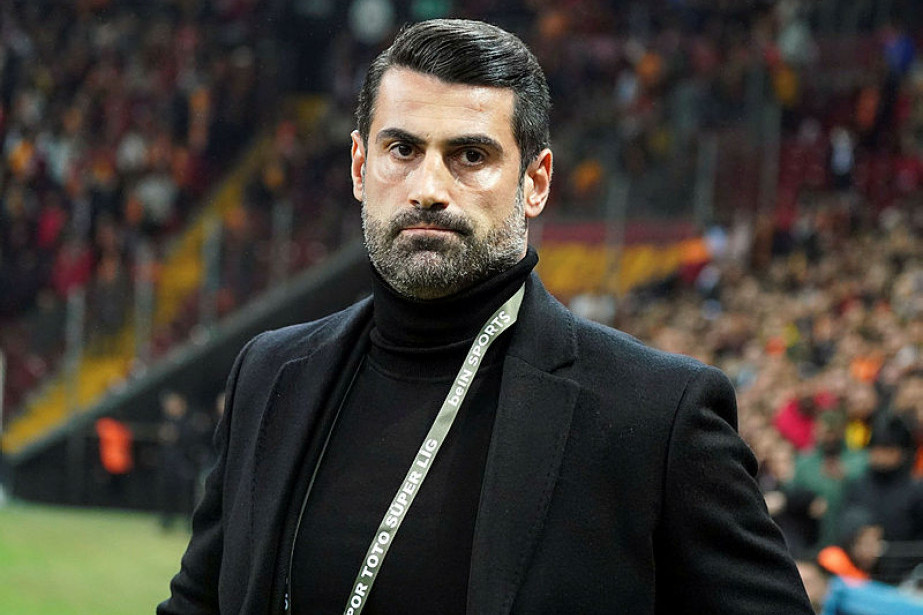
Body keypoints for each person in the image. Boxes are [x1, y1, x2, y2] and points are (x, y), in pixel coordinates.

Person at [159, 19, 812, 614]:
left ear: (536, 182)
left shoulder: (655, 416)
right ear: (360, 166)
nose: (428, 189)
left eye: (470, 156)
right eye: (402, 150)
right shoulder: (270, 374)